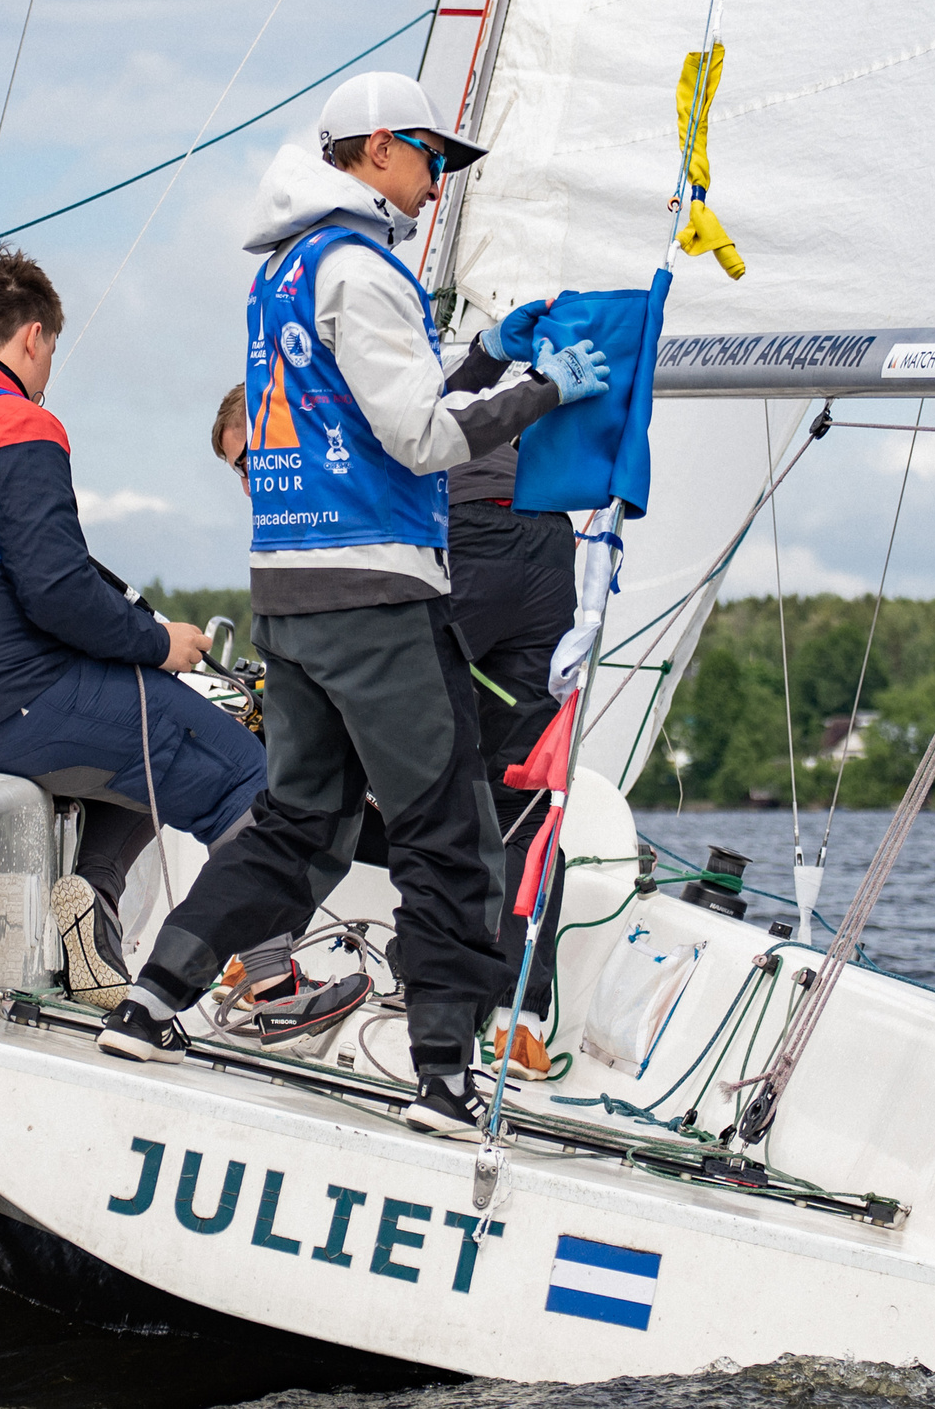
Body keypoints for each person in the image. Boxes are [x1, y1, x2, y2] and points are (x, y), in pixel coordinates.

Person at [97, 71, 611, 1141]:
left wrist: (487, 357)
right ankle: (445, 1079)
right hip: (379, 596)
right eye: (432, 157)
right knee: (448, 837)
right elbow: (421, 440)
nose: (438, 183)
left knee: (300, 825)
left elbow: (370, 409)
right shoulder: (364, 269)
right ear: (378, 148)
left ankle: (152, 1004)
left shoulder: (284, 270)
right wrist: (546, 390)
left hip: (291, 596)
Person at [0, 248, 262, 1009]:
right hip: (11, 702)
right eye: (50, 355)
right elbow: (57, 591)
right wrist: (159, 644)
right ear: (33, 337)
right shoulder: (13, 420)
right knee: (244, 771)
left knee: (145, 735)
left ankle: (90, 900)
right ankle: (269, 980)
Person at [213, 383, 575, 1082]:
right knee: (521, 787)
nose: (253, 483)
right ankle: (517, 1022)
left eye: (251, 462)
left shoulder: (315, 427)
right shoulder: (387, 393)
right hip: (543, 529)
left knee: (347, 751)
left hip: (461, 530)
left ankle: (268, 947)